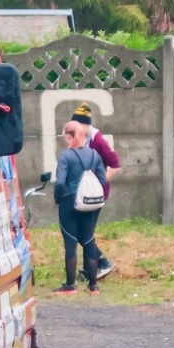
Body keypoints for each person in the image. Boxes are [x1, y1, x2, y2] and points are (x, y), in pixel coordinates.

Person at [52, 121, 106, 294]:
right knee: (89, 241)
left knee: (71, 243)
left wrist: (57, 198)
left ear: (69, 136)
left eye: (65, 136)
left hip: (69, 204)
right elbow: (103, 180)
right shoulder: (94, 155)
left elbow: (60, 182)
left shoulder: (65, 156)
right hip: (90, 205)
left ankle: (70, 285)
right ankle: (93, 286)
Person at [71, 102, 120, 280]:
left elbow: (115, 166)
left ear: (85, 125)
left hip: (95, 194)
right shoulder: (81, 138)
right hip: (82, 193)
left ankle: (102, 262)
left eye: (78, 126)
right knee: (83, 230)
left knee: (82, 232)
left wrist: (98, 183)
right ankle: (90, 268)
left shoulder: (98, 140)